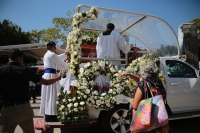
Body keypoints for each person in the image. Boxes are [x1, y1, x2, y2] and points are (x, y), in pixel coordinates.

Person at [0, 49, 62, 133]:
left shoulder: (1, 70)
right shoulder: (24, 70)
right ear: (19, 58)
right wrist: (58, 77)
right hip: (25, 108)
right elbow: (45, 82)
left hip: (8, 109)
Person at [119, 61, 170, 133]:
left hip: (146, 123)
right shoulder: (158, 83)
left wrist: (129, 100)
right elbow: (140, 79)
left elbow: (135, 106)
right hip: (158, 122)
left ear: (144, 74)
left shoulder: (143, 86)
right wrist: (129, 75)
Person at [39, 41, 70, 132]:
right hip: (51, 76)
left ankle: (50, 114)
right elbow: (60, 63)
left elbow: (58, 58)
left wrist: (65, 54)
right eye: (54, 46)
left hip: (49, 75)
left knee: (50, 96)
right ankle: (50, 116)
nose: (55, 47)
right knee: (51, 96)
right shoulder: (51, 54)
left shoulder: (49, 54)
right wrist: (69, 65)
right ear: (50, 46)